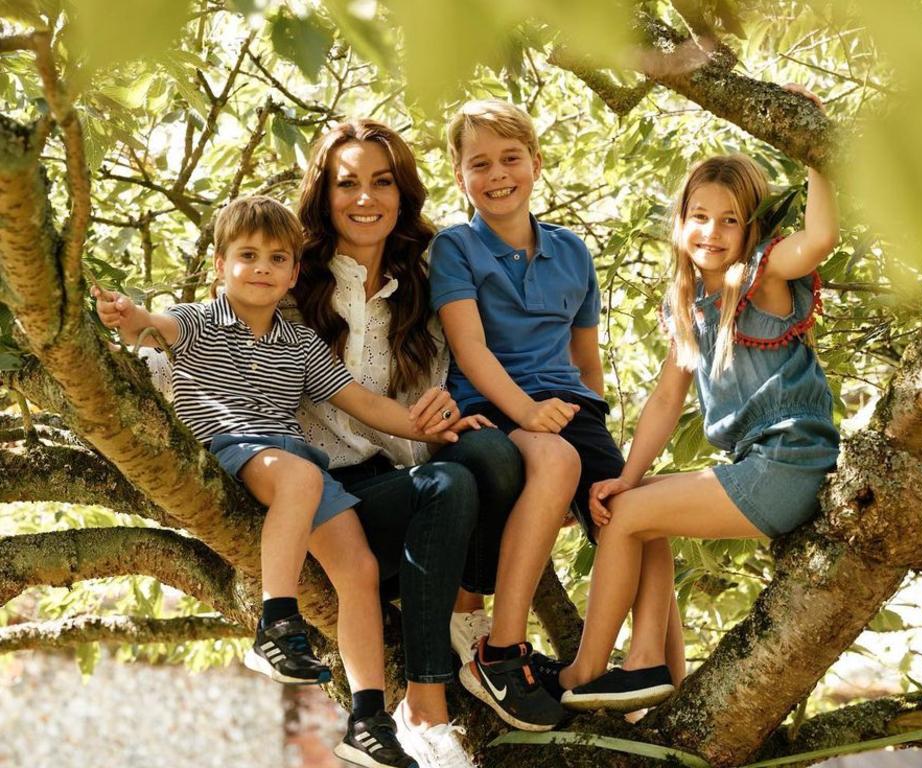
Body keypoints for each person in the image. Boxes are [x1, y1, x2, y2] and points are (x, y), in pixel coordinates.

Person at [93, 195, 483, 768]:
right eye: (246, 256)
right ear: (220, 265)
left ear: (295, 273)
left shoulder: (299, 344)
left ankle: (368, 719)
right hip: (236, 450)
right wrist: (130, 318)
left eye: (277, 259)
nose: (261, 269)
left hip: (293, 464)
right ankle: (275, 624)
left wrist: (438, 428)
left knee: (361, 569)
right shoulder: (198, 321)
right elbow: (153, 327)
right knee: (302, 473)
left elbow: (364, 404)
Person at [555, 85, 841, 711]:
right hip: (754, 467)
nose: (711, 232)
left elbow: (818, 240)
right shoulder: (689, 303)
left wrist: (817, 145)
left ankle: (584, 673)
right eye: (700, 216)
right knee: (638, 509)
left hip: (787, 464)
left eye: (730, 220)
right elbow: (663, 400)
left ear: (752, 228)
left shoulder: (759, 278)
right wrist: (627, 476)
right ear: (681, 222)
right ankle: (655, 672)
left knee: (628, 519)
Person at [429, 100, 684, 732]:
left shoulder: (572, 252)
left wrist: (599, 433)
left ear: (536, 164)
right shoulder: (455, 249)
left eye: (510, 159)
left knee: (638, 508)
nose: (497, 175)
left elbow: (585, 361)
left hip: (569, 408)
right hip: (492, 404)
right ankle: (501, 650)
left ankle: (653, 669)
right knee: (557, 459)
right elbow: (470, 349)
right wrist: (527, 412)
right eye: (479, 163)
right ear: (460, 176)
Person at [290, 119, 524, 768]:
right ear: (324, 195)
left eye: (382, 182)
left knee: (490, 456)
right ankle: (425, 702)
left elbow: (494, 341)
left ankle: (465, 614)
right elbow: (219, 333)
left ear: (404, 193)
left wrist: (455, 411)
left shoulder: (431, 268)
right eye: (348, 184)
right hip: (341, 496)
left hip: (423, 488)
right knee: (446, 485)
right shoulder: (295, 279)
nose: (366, 198)